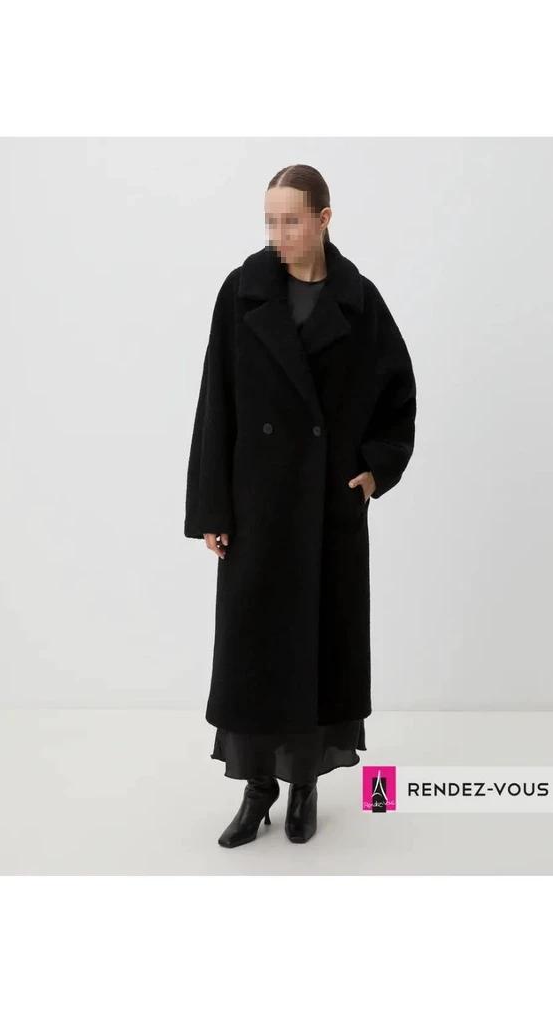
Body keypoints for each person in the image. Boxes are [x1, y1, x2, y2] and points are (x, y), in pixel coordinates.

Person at [184, 164, 417, 847]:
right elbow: (216, 401)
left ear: (323, 219)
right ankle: (257, 788)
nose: (278, 234)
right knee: (256, 652)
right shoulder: (242, 291)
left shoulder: (359, 301)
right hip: (258, 509)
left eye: (291, 220)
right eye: (270, 221)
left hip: (326, 513)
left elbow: (399, 393)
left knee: (320, 649)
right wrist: (212, 509)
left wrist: (374, 470)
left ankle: (305, 786)